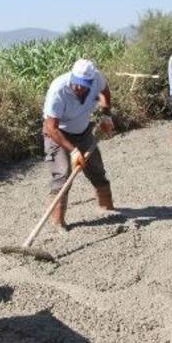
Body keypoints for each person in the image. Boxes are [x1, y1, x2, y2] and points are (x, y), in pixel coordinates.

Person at [42, 58, 115, 229]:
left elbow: (105, 92)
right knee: (62, 174)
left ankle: (108, 209)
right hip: (58, 134)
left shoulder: (97, 78)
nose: (78, 87)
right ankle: (58, 223)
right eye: (76, 83)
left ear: (91, 81)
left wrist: (106, 115)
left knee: (96, 168)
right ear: (72, 77)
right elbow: (52, 128)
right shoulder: (58, 90)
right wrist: (74, 151)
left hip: (83, 131)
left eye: (83, 84)